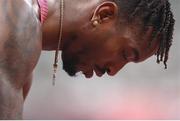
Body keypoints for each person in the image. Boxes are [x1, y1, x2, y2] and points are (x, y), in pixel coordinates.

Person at [0, 0, 175, 119]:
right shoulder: (17, 29)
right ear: (104, 14)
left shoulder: (24, 53)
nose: (113, 71)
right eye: (126, 54)